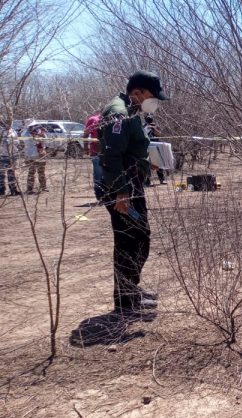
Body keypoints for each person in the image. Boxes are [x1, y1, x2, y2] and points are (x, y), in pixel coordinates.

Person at [99, 70, 168, 315]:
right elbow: (111, 155)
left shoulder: (131, 112)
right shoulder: (118, 113)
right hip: (122, 189)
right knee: (129, 242)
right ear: (136, 92)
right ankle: (126, 301)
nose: (155, 101)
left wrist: (148, 161)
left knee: (139, 239)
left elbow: (129, 150)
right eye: (152, 96)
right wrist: (120, 193)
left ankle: (130, 291)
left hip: (131, 185)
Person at [83, 112, 104, 203]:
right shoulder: (93, 120)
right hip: (96, 152)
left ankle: (107, 195)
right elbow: (86, 133)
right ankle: (100, 195)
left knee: (106, 174)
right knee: (98, 174)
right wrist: (85, 147)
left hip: (110, 152)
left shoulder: (112, 118)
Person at [143, 115, 166, 185]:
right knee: (147, 164)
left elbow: (159, 134)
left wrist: (153, 128)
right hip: (147, 146)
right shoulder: (143, 126)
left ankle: (162, 179)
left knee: (158, 163)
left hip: (156, 146)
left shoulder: (155, 126)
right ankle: (147, 181)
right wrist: (146, 128)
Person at [0, 122, 21, 196]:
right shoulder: (1, 131)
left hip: (13, 155)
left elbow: (17, 141)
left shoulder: (13, 131)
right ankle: (1, 190)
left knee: (12, 174)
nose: (8, 125)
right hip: (3, 155)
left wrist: (13, 141)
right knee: (2, 174)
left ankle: (13, 190)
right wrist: (4, 141)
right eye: (7, 123)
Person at [25, 125, 48, 193]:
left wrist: (42, 136)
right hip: (31, 155)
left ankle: (43, 187)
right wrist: (35, 138)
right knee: (31, 172)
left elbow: (46, 142)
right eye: (31, 126)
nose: (33, 128)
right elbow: (28, 142)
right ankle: (29, 189)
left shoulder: (41, 133)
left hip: (41, 155)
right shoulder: (26, 134)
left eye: (34, 126)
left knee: (41, 172)